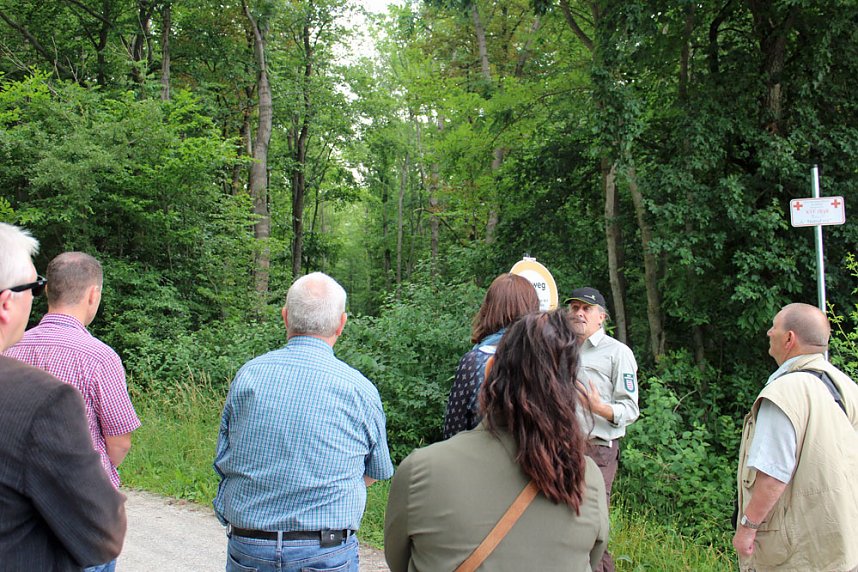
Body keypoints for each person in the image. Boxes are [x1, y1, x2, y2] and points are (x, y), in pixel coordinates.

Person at [385, 310, 609, 572]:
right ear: (569, 389)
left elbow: (399, 561)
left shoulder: (420, 469)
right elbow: (591, 560)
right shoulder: (586, 477)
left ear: (490, 372)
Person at [213, 272, 395, 572]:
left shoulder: (249, 376)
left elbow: (225, 457)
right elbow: (375, 471)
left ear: (285, 317)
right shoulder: (359, 389)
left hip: (250, 547)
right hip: (325, 550)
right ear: (341, 323)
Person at [0, 223, 126, 570]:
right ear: (92, 295)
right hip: (76, 521)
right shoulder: (100, 357)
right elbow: (118, 443)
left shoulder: (16, 348)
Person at [733, 303, 858, 572]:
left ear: (789, 338)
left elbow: (773, 473)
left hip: (796, 548)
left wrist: (747, 529)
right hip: (840, 539)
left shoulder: (785, 392)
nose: (768, 332)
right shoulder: (846, 385)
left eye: (774, 327)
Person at [567, 286, 638, 572]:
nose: (579, 313)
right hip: (562, 447)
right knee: (563, 522)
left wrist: (599, 407)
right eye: (574, 307)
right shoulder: (561, 349)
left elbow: (630, 409)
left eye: (587, 308)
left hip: (598, 450)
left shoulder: (617, 353)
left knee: (593, 527)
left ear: (602, 317)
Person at [443, 273, 539, 439]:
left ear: (489, 308)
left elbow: (453, 432)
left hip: (479, 459)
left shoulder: (475, 361)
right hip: (535, 461)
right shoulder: (545, 359)